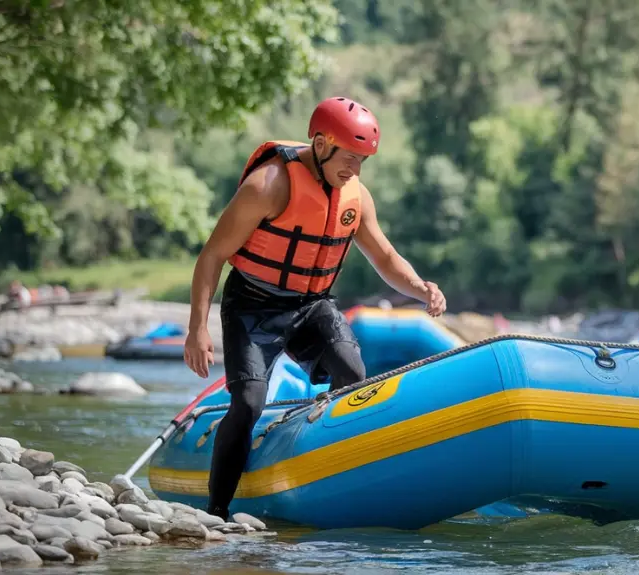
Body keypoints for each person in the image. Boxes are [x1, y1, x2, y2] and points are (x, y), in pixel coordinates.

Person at [183, 96, 447, 520]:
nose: (355, 170)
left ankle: (320, 466)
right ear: (321, 144)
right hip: (252, 304)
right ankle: (217, 514)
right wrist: (198, 328)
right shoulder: (267, 185)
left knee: (353, 376)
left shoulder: (355, 197)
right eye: (349, 158)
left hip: (311, 305)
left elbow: (384, 258)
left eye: (363, 161)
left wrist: (421, 287)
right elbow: (212, 256)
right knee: (249, 401)